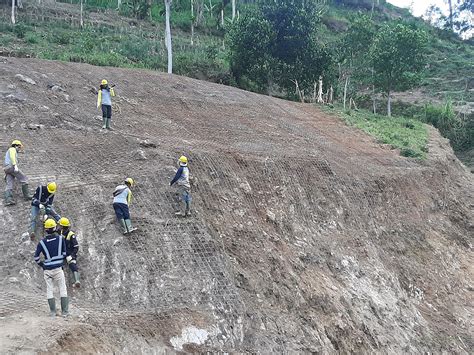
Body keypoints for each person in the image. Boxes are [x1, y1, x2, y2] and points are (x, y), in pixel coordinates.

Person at [34, 219, 69, 317]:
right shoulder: (61, 239)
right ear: (54, 228)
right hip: (58, 268)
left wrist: (43, 265)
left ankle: (53, 312)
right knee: (63, 288)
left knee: (49, 290)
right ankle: (65, 312)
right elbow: (65, 253)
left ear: (46, 230)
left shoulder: (41, 243)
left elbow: (36, 257)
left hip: (47, 270)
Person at [3, 140, 30, 205]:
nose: (19, 149)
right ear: (16, 145)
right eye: (19, 147)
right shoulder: (12, 149)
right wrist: (15, 166)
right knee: (24, 179)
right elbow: (12, 157)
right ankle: (27, 196)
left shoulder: (8, 151)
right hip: (11, 166)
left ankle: (8, 200)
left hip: (7, 168)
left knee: (9, 184)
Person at [58, 217, 80, 288]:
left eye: (60, 225)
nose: (59, 226)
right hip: (62, 253)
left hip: (69, 253)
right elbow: (53, 229)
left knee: (73, 264)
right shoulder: (61, 231)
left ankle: (77, 280)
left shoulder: (71, 235)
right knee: (59, 264)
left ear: (63, 226)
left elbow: (76, 247)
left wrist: (72, 256)